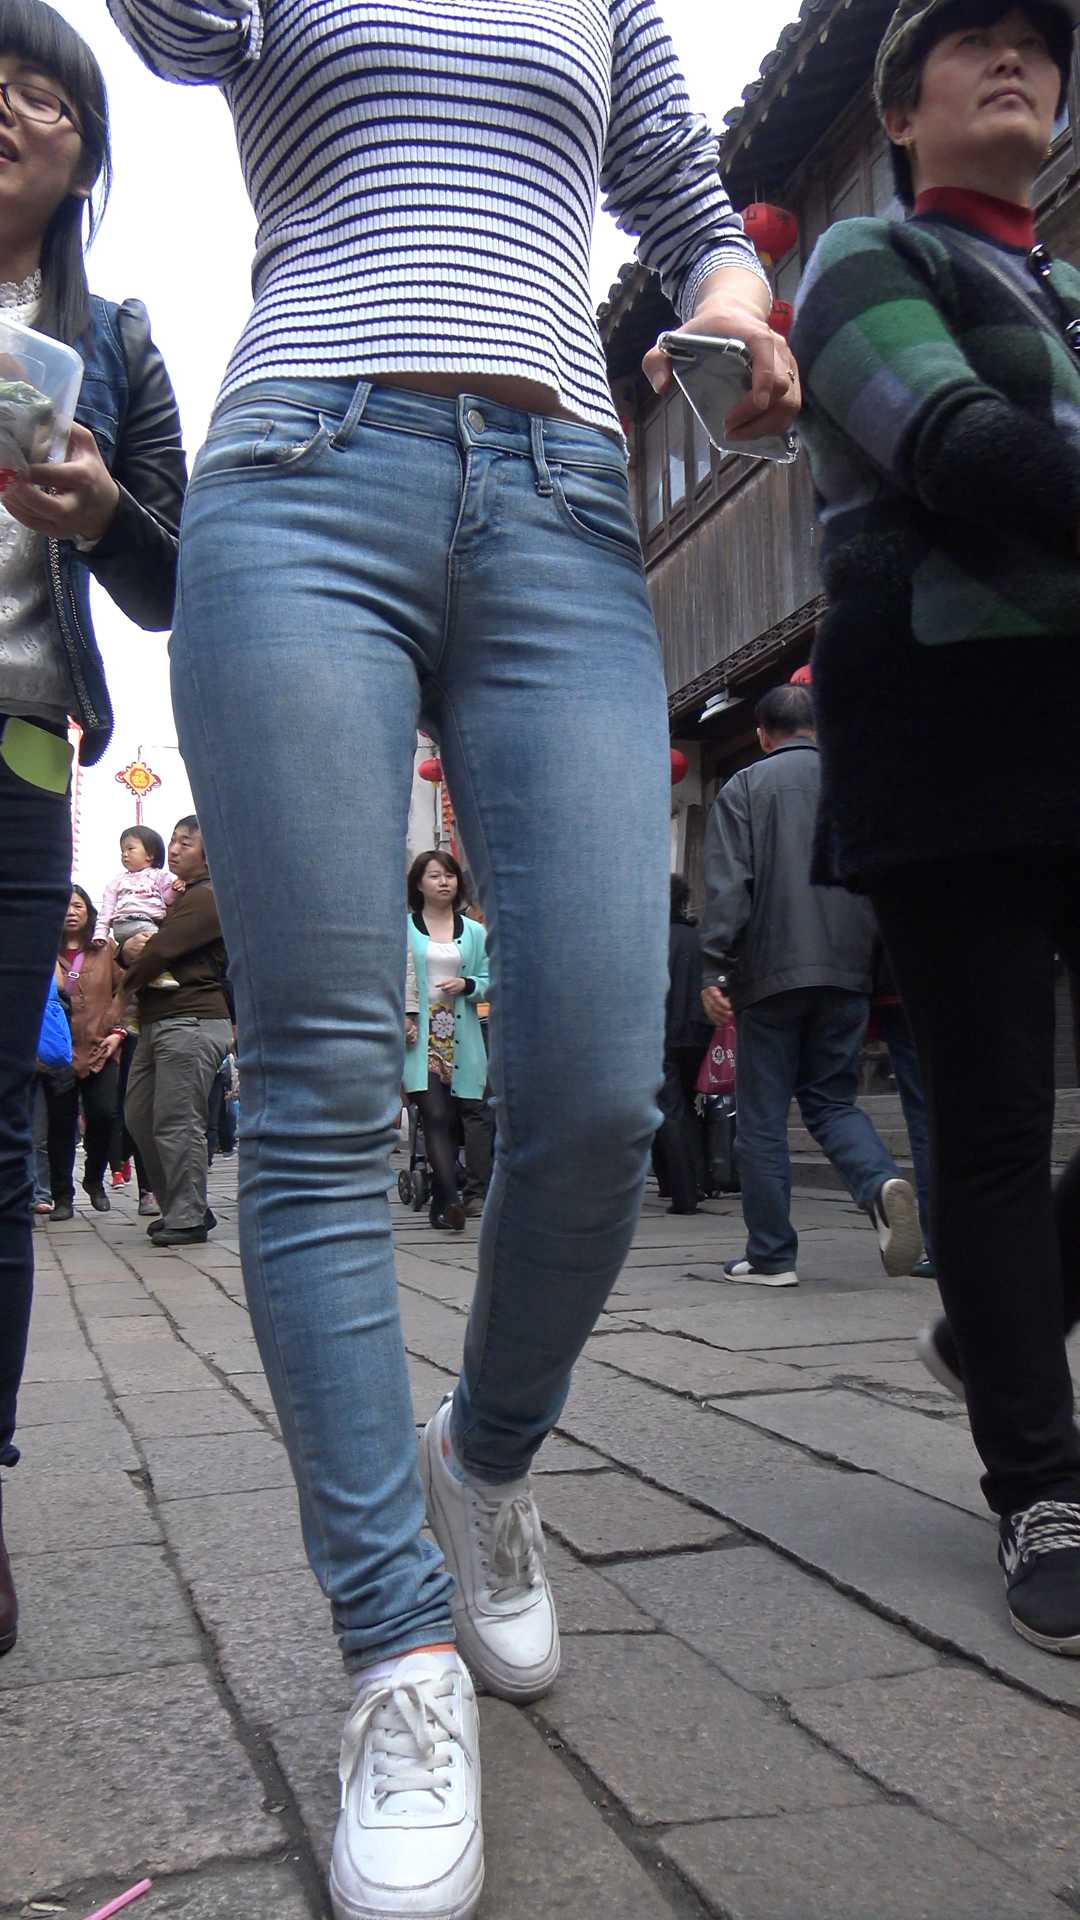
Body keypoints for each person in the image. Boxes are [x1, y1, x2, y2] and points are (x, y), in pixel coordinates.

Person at [106, 1, 801, 1910]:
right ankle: (394, 1647)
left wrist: (736, 306)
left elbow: (687, 207)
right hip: (302, 471)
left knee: (592, 1082)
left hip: (564, 503)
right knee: (325, 1077)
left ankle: (484, 1458)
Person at [791, 0, 1080, 1652]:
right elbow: (956, 446)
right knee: (988, 1125)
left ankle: (998, 1319)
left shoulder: (1069, 295)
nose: (1015, 58)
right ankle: (1041, 1481)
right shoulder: (864, 261)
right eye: (972, 41)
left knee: (1008, 1160)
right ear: (900, 113)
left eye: (1038, 42)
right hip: (944, 736)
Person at [0, 0, 186, 1657]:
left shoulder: (111, 336)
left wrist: (108, 506)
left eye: (42, 94)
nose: (7, 108)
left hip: (17, 742)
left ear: (86, 152)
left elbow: (180, 574)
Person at [700, 685, 920, 1288]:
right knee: (831, 1101)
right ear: (819, 728)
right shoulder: (856, 787)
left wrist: (715, 967)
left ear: (761, 734)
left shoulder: (744, 787)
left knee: (762, 1120)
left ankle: (772, 1255)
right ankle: (879, 1182)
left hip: (769, 975)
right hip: (849, 973)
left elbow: (729, 887)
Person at [114, 816, 232, 1249]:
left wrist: (121, 989)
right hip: (158, 1019)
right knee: (140, 1115)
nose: (176, 849)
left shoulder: (208, 896)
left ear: (209, 853)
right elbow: (142, 946)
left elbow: (160, 949)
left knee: (176, 1120)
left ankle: (187, 1216)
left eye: (187, 842)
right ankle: (185, 1206)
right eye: (174, 841)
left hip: (191, 1019)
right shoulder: (176, 897)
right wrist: (125, 951)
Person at [404, 852, 491, 1233]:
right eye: (434, 875)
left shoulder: (474, 932)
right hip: (419, 1038)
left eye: (450, 875)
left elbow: (491, 978)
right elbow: (390, 978)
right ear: (418, 883)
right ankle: (454, 1199)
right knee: (435, 1116)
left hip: (462, 1037)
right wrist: (402, 1016)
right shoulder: (404, 930)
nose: (444, 882)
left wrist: (467, 985)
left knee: (455, 1119)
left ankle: (441, 1204)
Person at [44, 884, 128, 1219]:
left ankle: (94, 1178)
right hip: (57, 1054)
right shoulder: (43, 950)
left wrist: (119, 1033)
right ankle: (62, 1196)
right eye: (64, 906)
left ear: (89, 911)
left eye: (78, 905)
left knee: (104, 1114)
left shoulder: (105, 948)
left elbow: (127, 991)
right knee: (60, 1125)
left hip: (101, 1048)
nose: (70, 912)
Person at [653, 874, 711, 1215]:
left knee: (671, 1109)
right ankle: (700, 1180)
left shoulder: (654, 940)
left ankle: (684, 1192)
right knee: (690, 1106)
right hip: (699, 1032)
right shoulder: (698, 938)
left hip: (663, 1032)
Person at [95, 823, 174, 947]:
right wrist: (100, 933)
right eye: (122, 850)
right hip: (126, 922)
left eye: (130, 849)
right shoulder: (118, 881)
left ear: (150, 855)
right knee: (163, 942)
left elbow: (169, 899)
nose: (124, 854)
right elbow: (107, 908)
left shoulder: (159, 876)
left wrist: (176, 888)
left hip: (150, 922)